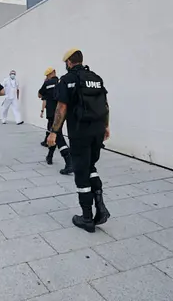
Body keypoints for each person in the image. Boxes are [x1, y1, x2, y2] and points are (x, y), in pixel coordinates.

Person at [48, 48, 110, 233]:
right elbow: (106, 104)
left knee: (81, 171)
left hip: (80, 132)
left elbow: (61, 107)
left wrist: (53, 132)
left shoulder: (67, 80)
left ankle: (87, 217)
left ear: (68, 62)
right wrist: (106, 126)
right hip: (98, 130)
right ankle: (100, 207)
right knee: (91, 167)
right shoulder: (96, 78)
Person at [39, 67, 73, 175]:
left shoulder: (47, 83)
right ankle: (49, 156)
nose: (47, 76)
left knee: (57, 136)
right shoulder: (60, 82)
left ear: (52, 73)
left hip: (51, 114)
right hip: (62, 114)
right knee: (53, 135)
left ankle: (69, 161)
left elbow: (40, 94)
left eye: (48, 74)